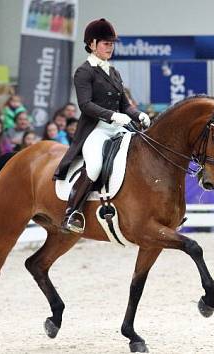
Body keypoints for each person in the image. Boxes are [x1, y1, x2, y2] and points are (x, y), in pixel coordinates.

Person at [53, 18, 151, 233]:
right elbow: (85, 104)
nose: (110, 47)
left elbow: (125, 104)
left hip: (119, 128)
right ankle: (72, 213)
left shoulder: (113, 72)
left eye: (112, 44)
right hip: (96, 129)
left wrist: (138, 114)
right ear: (92, 44)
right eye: (106, 43)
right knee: (95, 165)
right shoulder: (84, 71)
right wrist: (113, 116)